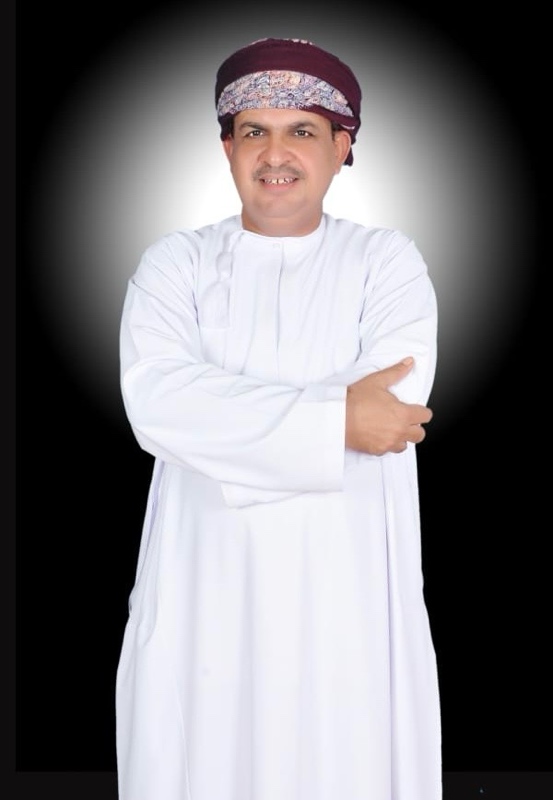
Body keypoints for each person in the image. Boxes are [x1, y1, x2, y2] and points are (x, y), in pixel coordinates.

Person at [115, 36, 442, 800]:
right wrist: (332, 424)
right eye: (253, 131)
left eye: (301, 130)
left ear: (342, 146)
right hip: (205, 577)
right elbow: (156, 402)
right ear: (226, 148)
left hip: (346, 577)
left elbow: (389, 415)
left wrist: (225, 428)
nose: (275, 154)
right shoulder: (174, 264)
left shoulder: (387, 262)